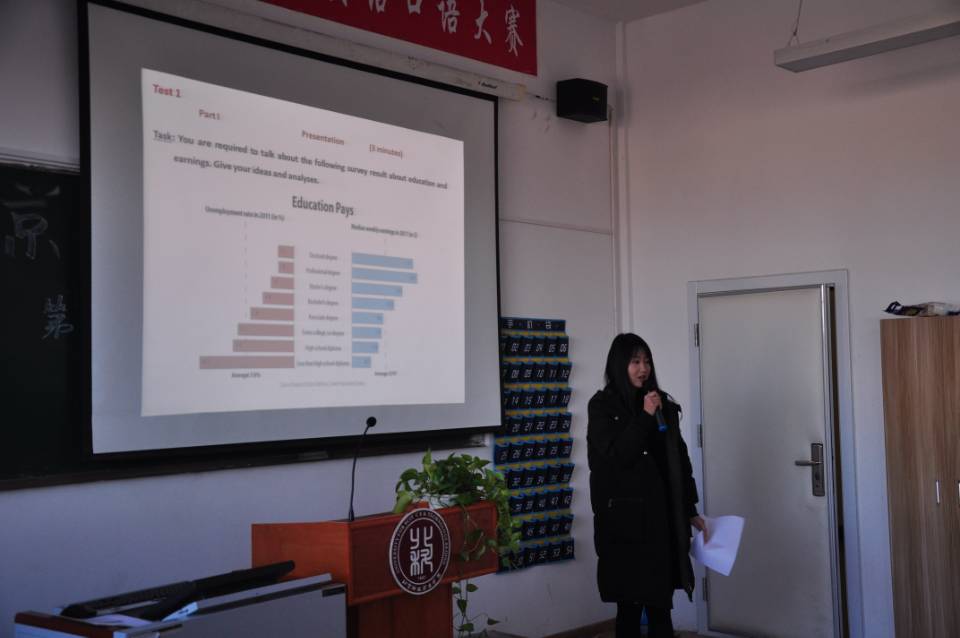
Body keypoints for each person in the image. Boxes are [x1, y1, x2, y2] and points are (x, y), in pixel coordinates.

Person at [587, 333, 707, 638]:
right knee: (629, 606)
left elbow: (678, 462)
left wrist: (690, 509)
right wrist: (644, 416)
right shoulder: (602, 406)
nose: (644, 369)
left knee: (660, 605)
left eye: (647, 361)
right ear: (619, 364)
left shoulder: (660, 402)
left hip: (660, 521)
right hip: (624, 524)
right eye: (635, 361)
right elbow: (618, 456)